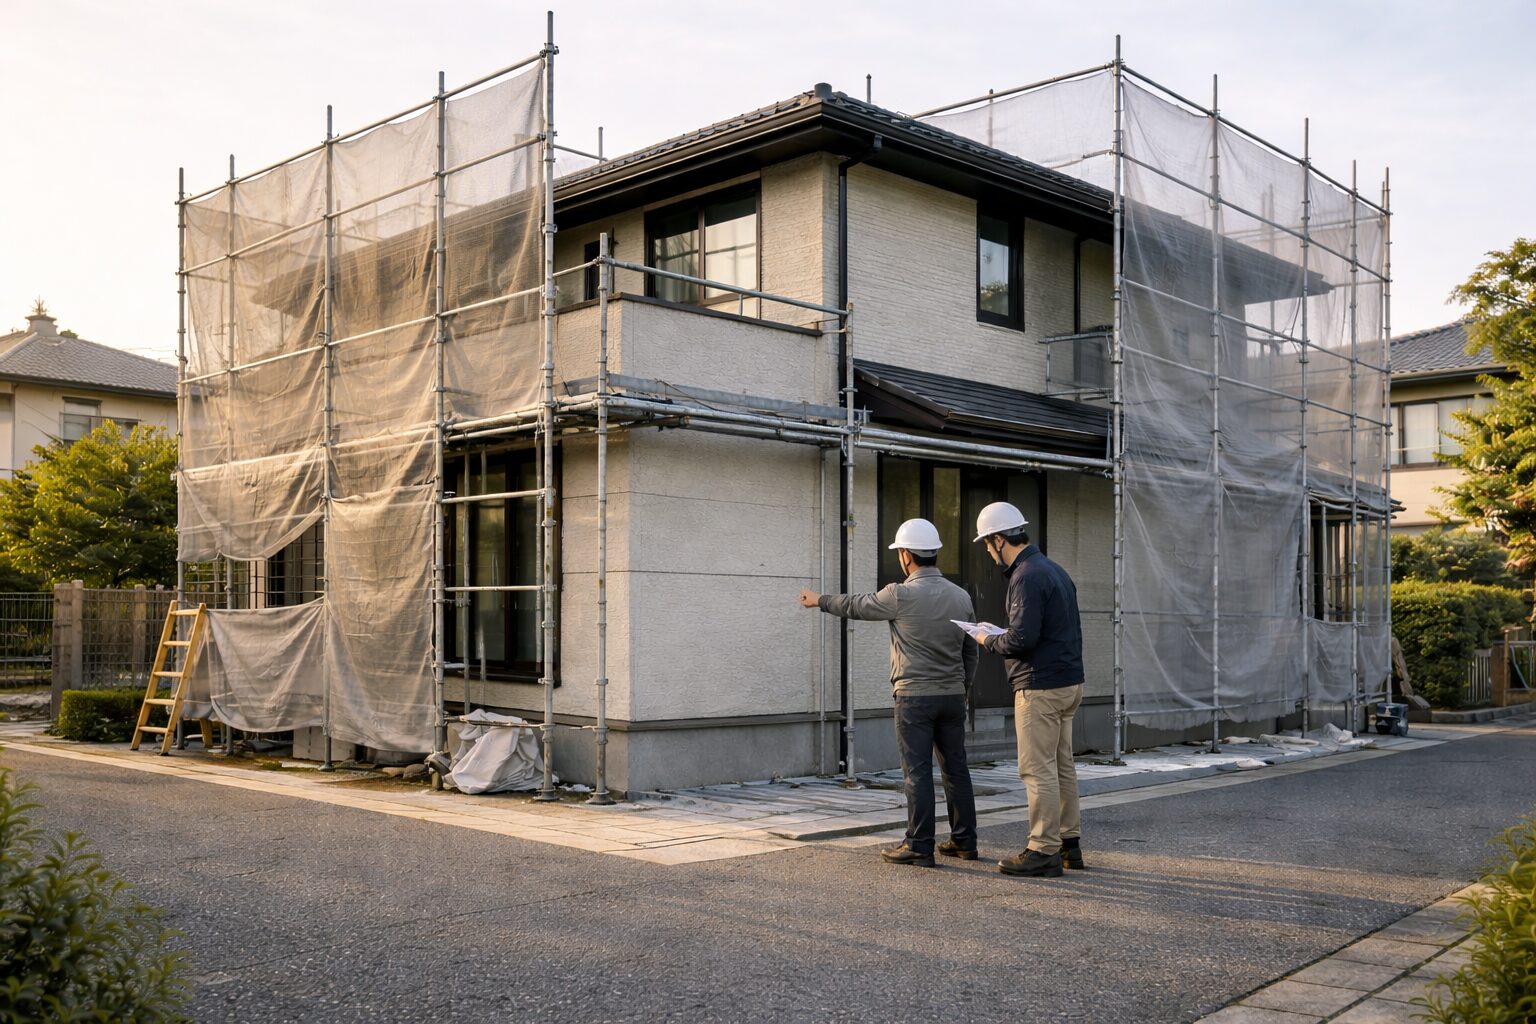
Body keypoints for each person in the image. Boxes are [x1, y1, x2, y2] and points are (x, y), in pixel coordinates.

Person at [799, 518, 979, 867]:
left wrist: (818, 600)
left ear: (907, 556)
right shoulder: (962, 597)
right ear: (935, 553)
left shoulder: (900, 594)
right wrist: (963, 688)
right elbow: (970, 651)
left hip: (914, 697)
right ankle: (965, 841)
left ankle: (919, 845)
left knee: (918, 772)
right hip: (953, 696)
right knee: (956, 769)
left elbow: (856, 605)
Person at [966, 501, 1085, 878]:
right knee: (1062, 765)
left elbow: (1021, 639)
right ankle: (1069, 844)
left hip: (1040, 687)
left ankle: (1042, 848)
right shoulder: (1053, 569)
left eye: (988, 544)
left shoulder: (1026, 575)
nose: (988, 551)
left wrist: (986, 639)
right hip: (1069, 683)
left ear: (1000, 540)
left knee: (1036, 769)